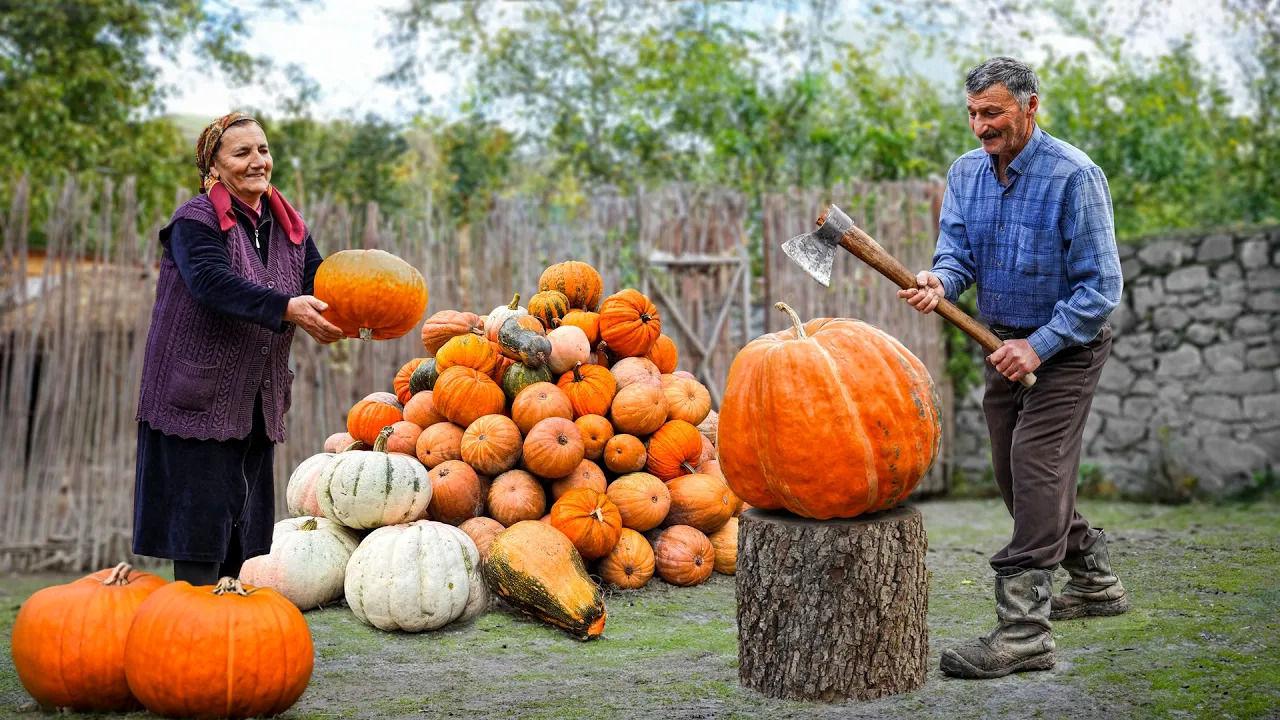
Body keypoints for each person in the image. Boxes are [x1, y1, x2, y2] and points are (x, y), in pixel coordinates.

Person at [898, 57, 1128, 679]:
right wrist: (937, 280)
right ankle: (1095, 576)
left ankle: (1025, 631)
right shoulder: (967, 173)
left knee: (1035, 463)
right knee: (1013, 473)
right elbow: (957, 255)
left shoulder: (1074, 176)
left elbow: (1101, 287)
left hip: (1069, 346)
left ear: (1031, 107)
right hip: (1000, 343)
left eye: (992, 112)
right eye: (973, 113)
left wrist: (1040, 345)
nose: (979, 127)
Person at [133, 112, 343, 586]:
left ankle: (228, 634)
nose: (257, 162)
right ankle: (191, 636)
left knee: (241, 528)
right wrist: (287, 307)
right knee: (198, 528)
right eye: (242, 152)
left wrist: (359, 314)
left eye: (263, 150)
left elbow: (321, 282)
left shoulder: (290, 228)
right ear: (215, 165)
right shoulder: (196, 219)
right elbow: (210, 282)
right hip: (195, 396)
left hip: (254, 398)